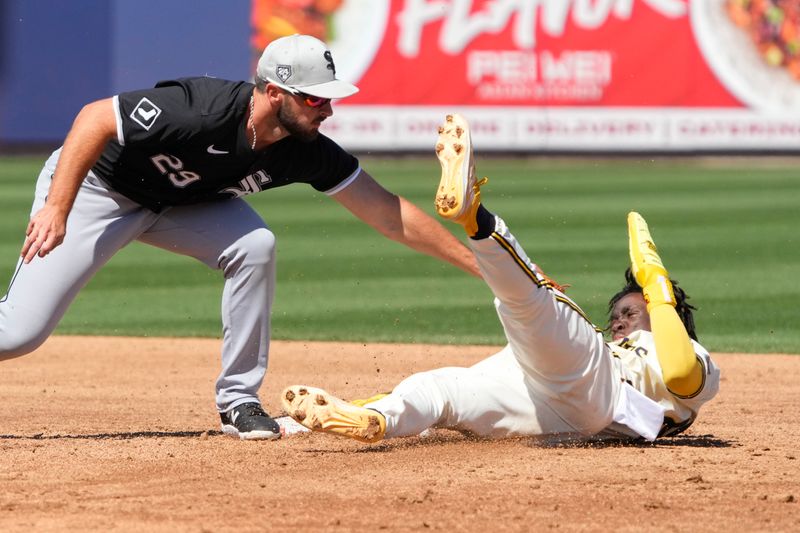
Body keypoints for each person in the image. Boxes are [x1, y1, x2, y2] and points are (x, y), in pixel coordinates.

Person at [0, 35, 479, 440]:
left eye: (329, 97)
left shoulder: (306, 151)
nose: (327, 109)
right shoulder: (201, 109)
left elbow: (386, 211)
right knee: (19, 333)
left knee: (254, 245)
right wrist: (57, 208)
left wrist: (481, 264)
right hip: (97, 190)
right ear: (274, 92)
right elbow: (94, 118)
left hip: (178, 204)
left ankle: (238, 402)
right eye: (313, 98)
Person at [281, 113, 721, 444]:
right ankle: (376, 420)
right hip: (554, 418)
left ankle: (474, 215)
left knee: (532, 302)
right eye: (619, 313)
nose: (620, 320)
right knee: (444, 392)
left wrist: (656, 283)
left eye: (630, 311)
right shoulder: (610, 346)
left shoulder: (691, 357)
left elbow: (682, 372)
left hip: (599, 389)